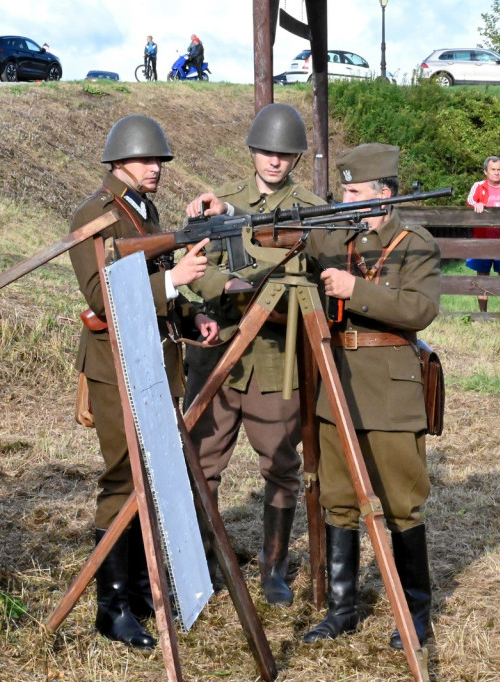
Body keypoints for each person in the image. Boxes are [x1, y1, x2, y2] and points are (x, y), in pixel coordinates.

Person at [68, 114, 218, 650]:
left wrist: (186, 312)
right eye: (144, 160)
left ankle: (138, 590)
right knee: (123, 478)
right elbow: (99, 293)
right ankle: (112, 608)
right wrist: (173, 282)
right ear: (118, 162)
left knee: (151, 476)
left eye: (158, 161)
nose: (154, 168)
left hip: (153, 361)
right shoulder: (95, 214)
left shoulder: (142, 210)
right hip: (114, 365)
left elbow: (156, 289)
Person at [301, 143, 440, 653]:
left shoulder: (415, 241)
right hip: (338, 382)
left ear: (383, 194)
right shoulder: (335, 233)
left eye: (354, 191)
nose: (345, 197)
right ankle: (342, 610)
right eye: (343, 189)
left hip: (390, 386)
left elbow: (421, 308)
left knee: (401, 501)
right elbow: (289, 232)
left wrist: (354, 290)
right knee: (337, 498)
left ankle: (415, 611)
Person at [183, 103, 323, 606]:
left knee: (282, 465)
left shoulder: (313, 208)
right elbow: (196, 267)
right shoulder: (220, 204)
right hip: (219, 352)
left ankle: (273, 569)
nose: (274, 161)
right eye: (266, 151)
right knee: (201, 462)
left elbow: (314, 275)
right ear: (252, 152)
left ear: (295, 159)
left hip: (274, 359)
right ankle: (202, 560)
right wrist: (234, 282)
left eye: (284, 154)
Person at [465, 155, 500, 312]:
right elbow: (469, 202)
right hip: (483, 240)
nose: (496, 173)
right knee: (482, 278)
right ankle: (483, 313)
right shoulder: (478, 186)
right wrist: (476, 204)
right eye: (493, 170)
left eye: (499, 170)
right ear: (486, 171)